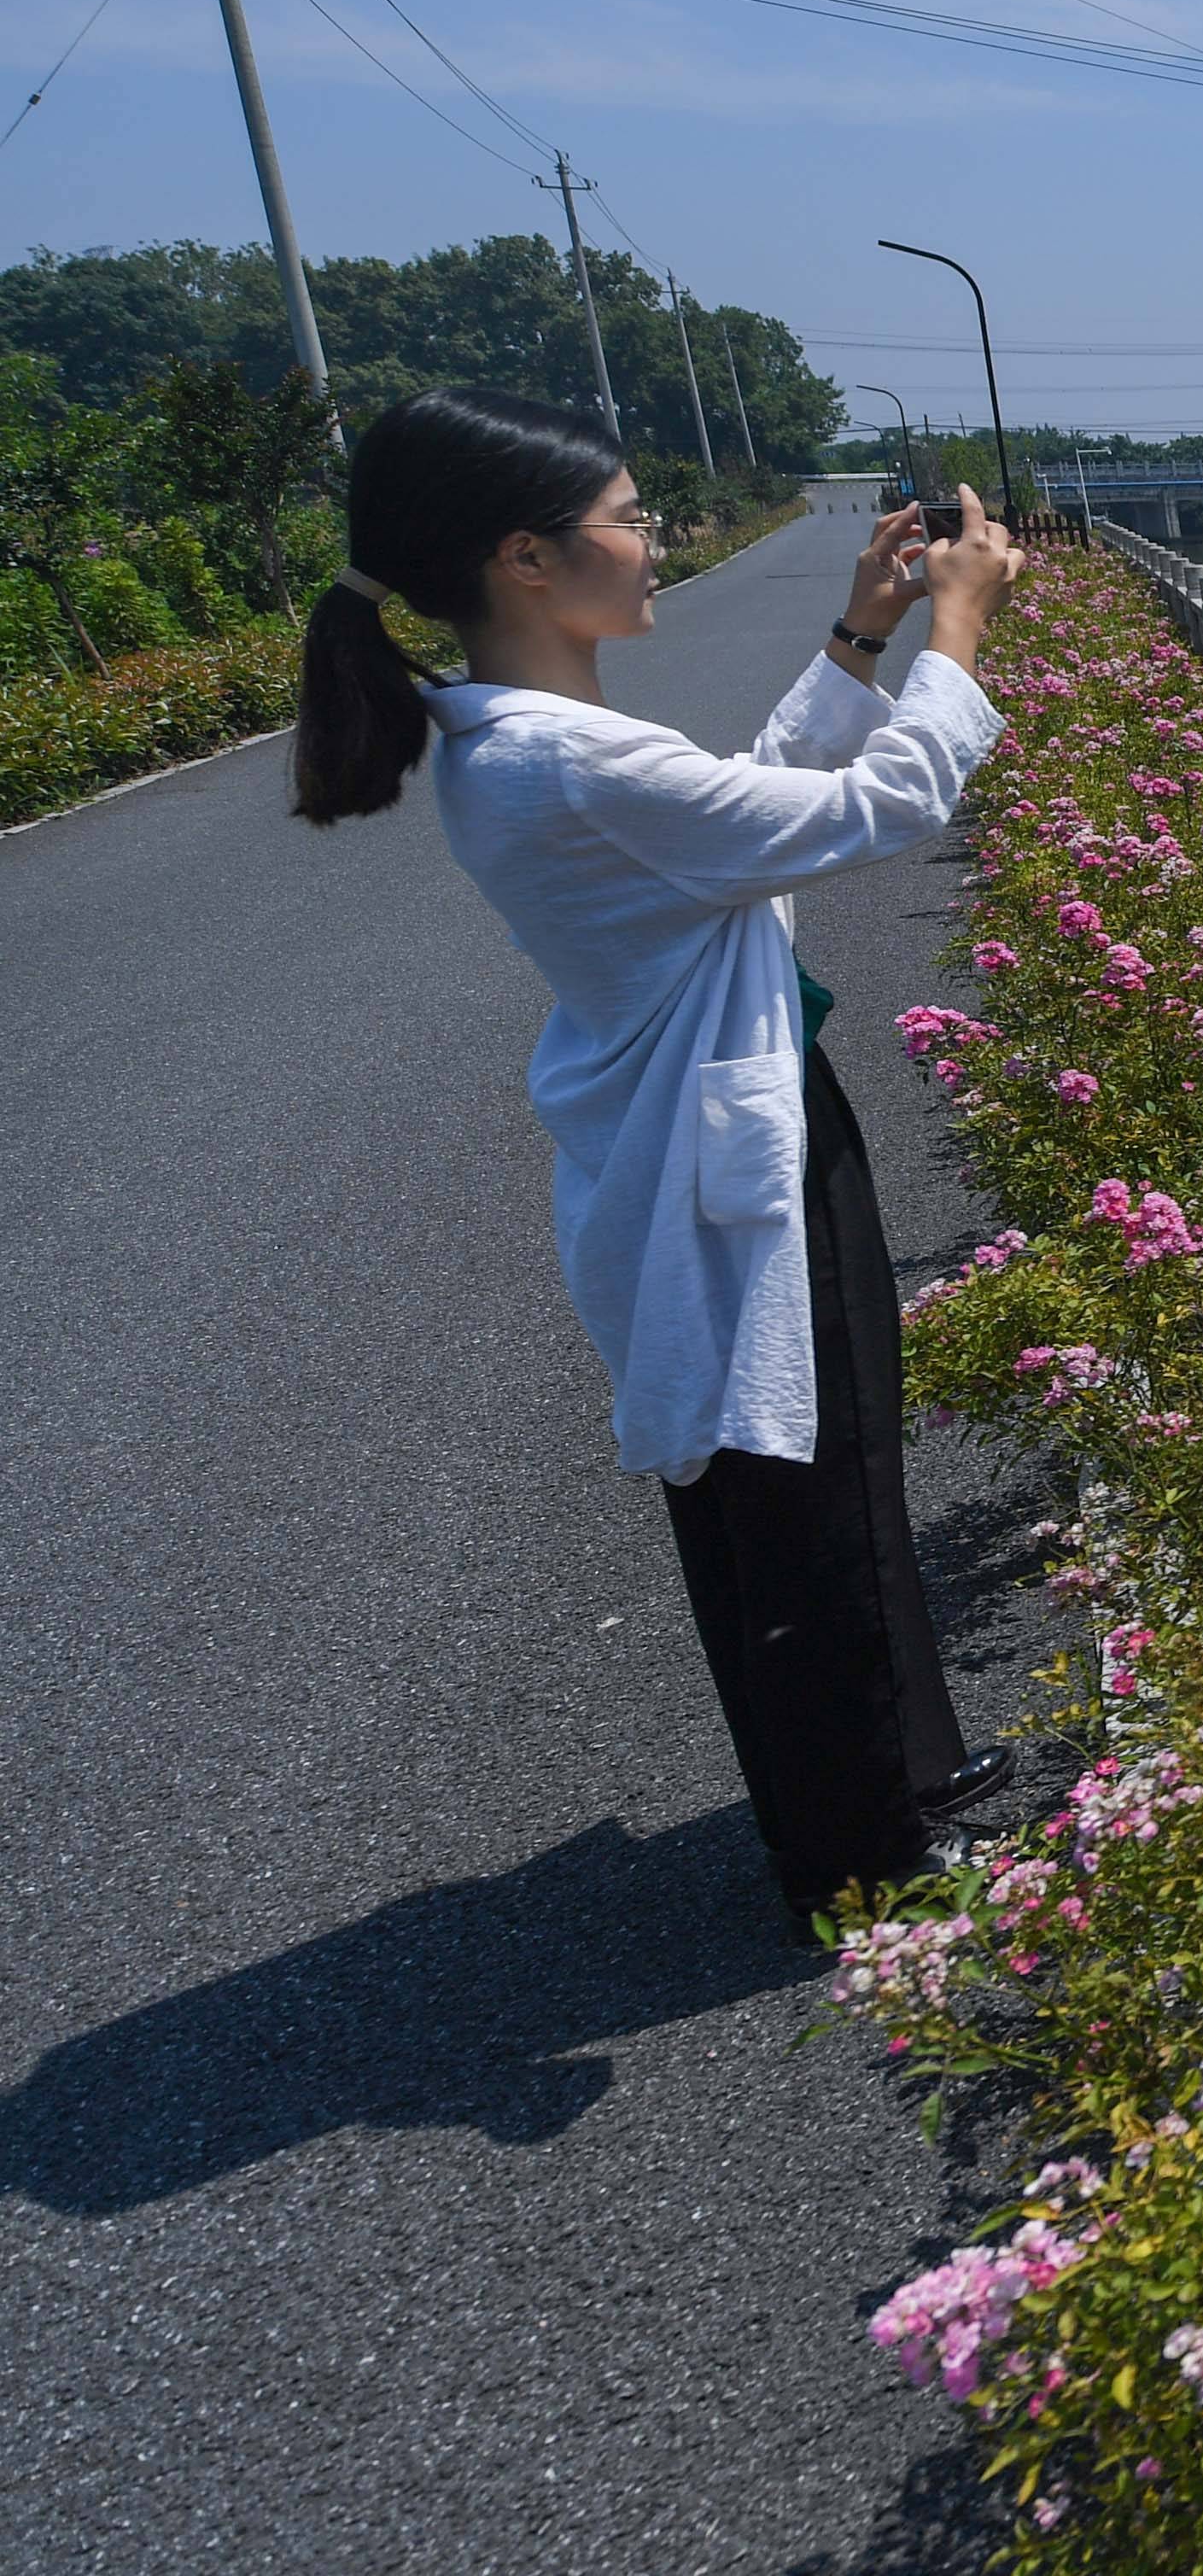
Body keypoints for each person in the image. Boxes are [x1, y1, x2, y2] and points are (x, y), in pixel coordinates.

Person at [295, 388, 1025, 1921]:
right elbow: (875, 807)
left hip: (727, 1118)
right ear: (524, 559)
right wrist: (956, 629)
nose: (658, 540)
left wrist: (856, 642)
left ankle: (903, 1766)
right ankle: (859, 1857)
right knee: (796, 1496)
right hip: (722, 1149)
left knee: (837, 1460)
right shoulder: (557, 758)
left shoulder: (541, 739)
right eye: (631, 518)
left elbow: (752, 811)